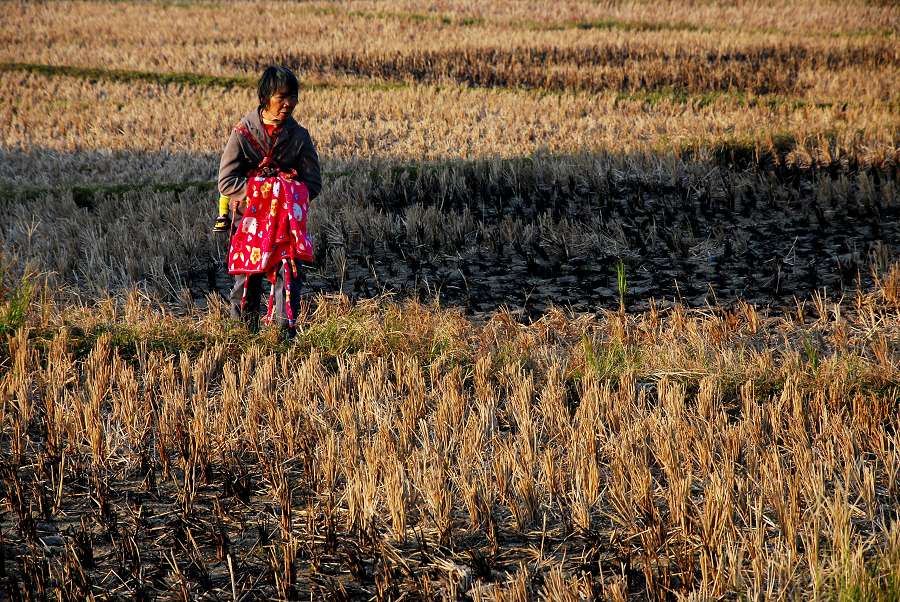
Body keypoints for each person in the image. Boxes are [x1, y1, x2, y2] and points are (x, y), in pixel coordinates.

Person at [218, 66, 322, 336]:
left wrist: (286, 194)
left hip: (285, 225)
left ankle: (283, 336)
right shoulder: (243, 134)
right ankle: (241, 336)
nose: (289, 103)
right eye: (282, 97)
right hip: (249, 220)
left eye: (293, 97)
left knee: (288, 281)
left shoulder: (299, 138)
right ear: (265, 97)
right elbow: (227, 182)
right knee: (246, 281)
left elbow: (313, 183)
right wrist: (266, 192)